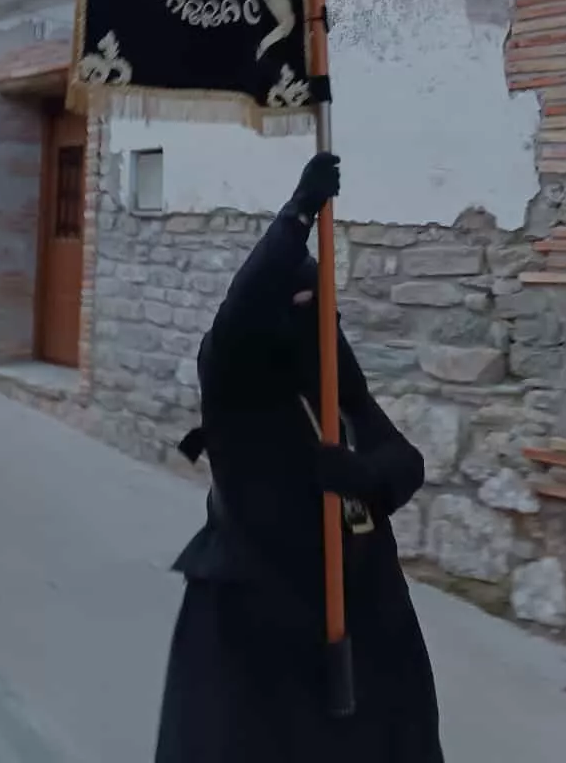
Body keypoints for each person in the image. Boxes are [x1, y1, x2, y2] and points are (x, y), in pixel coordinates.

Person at [155, 153, 443, 763]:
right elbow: (242, 309)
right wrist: (296, 215)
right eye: (302, 301)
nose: (317, 315)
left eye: (324, 303)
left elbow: (404, 458)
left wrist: (365, 476)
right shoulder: (234, 371)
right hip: (257, 612)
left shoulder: (330, 364)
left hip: (360, 605)